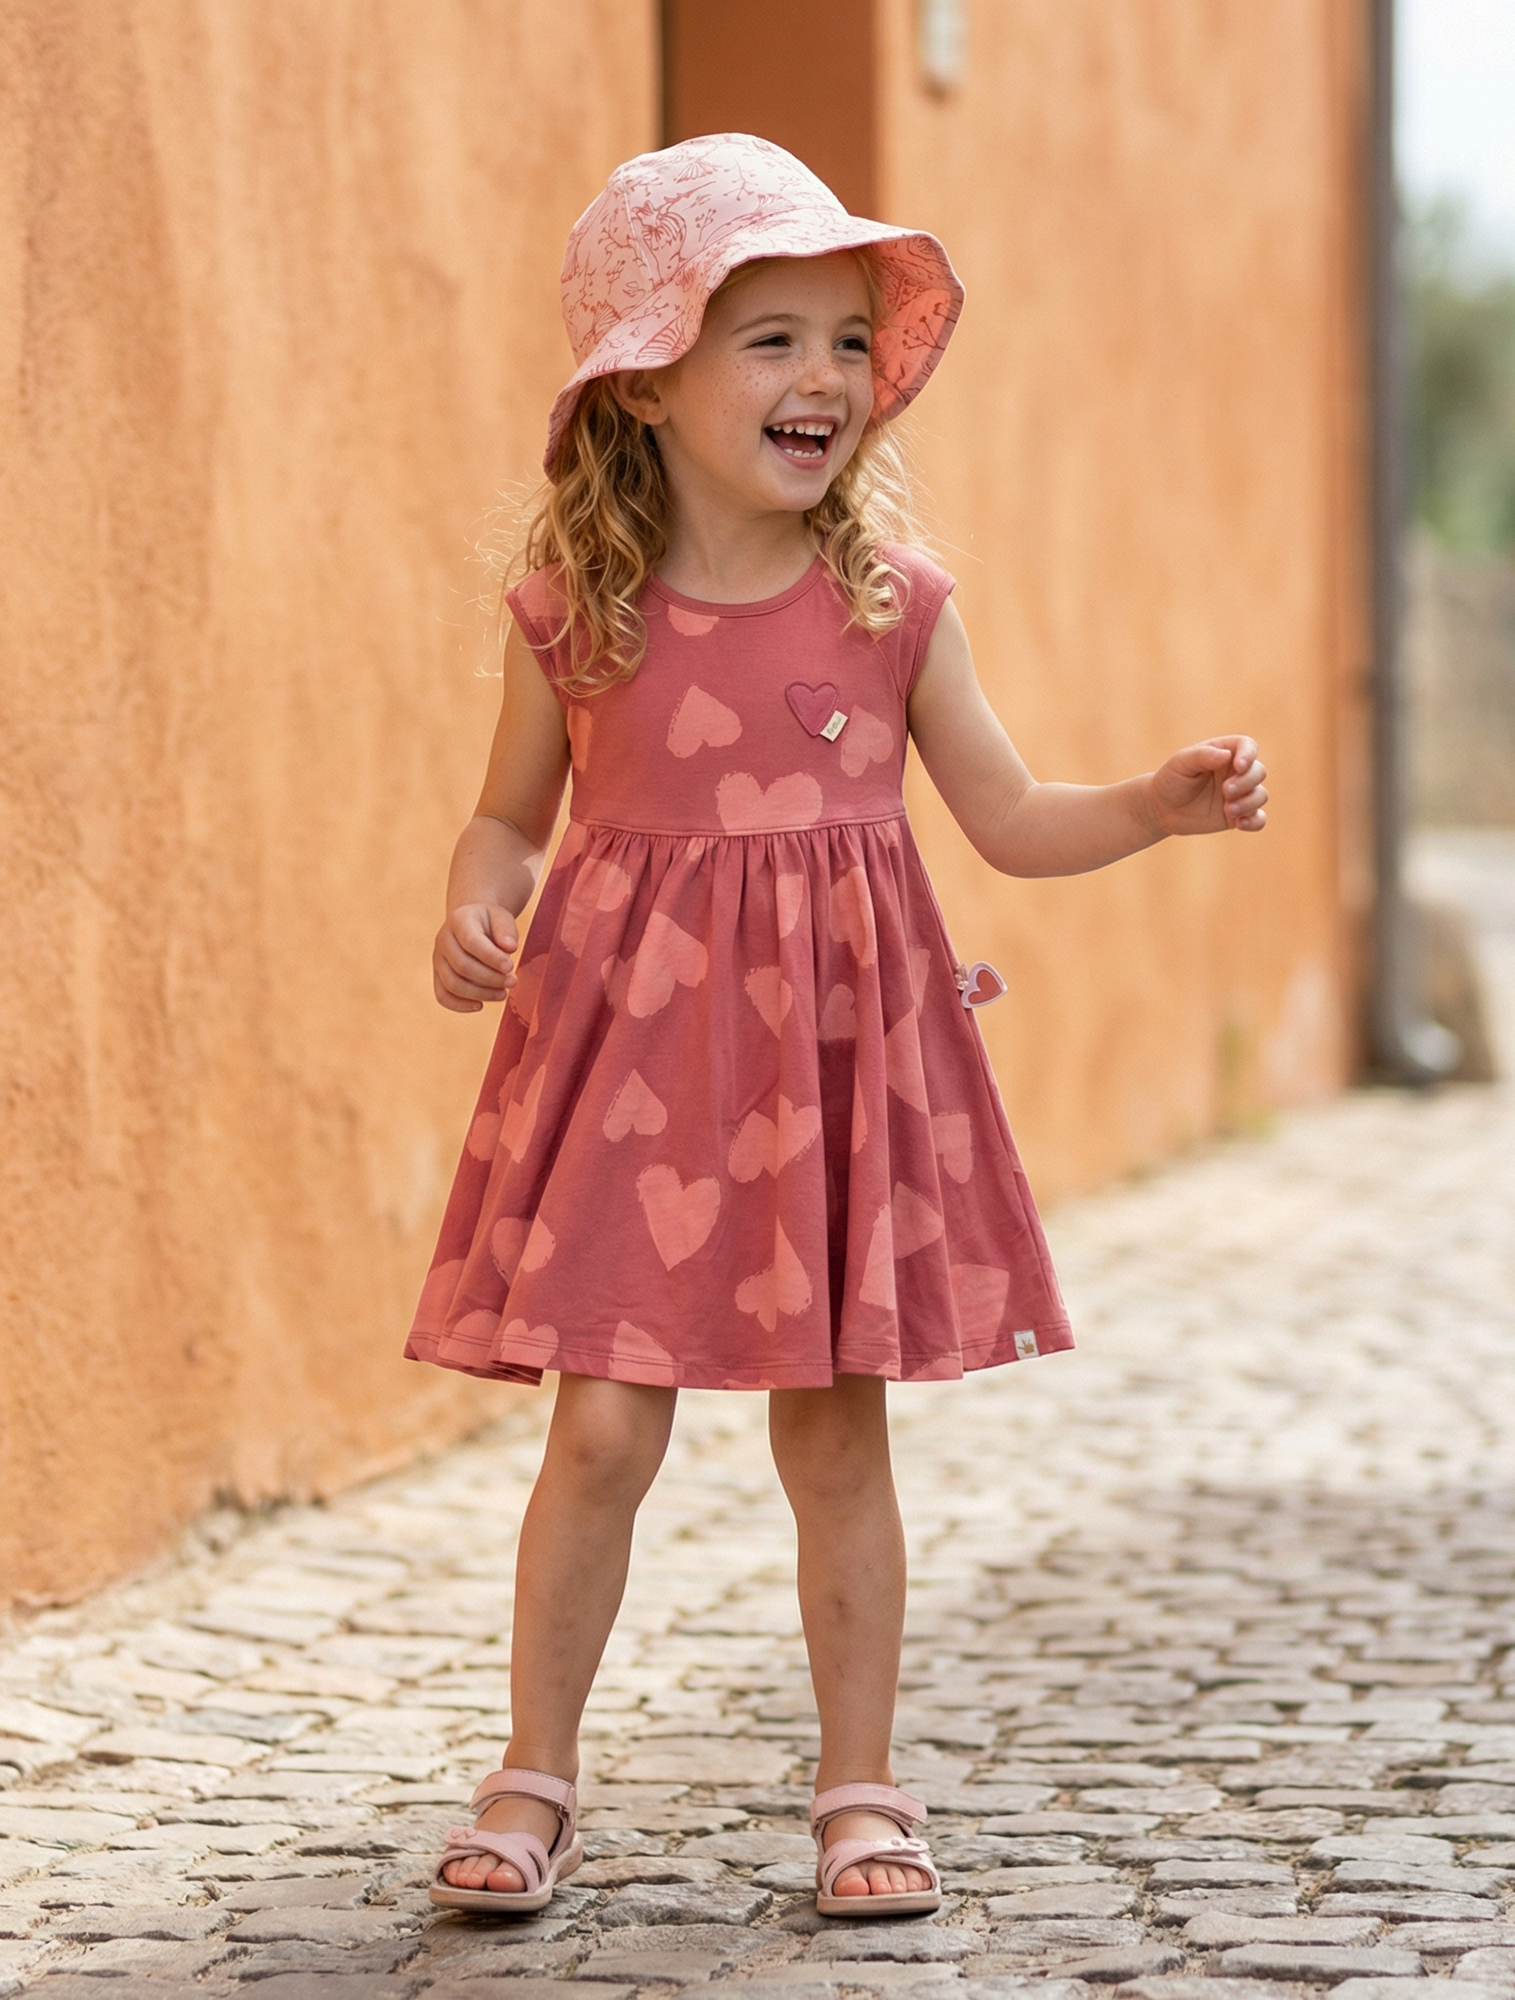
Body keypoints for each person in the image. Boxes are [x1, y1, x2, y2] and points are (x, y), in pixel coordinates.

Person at [409, 134, 1268, 1919]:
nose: (828, 379)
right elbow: (510, 813)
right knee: (600, 1435)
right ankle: (534, 1773)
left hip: (827, 1080)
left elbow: (1015, 821)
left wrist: (1153, 805)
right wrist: (477, 897)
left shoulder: (894, 611)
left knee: (833, 1434)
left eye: (849, 344)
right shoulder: (580, 619)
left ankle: (860, 1791)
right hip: (638, 1078)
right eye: (774, 340)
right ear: (644, 384)